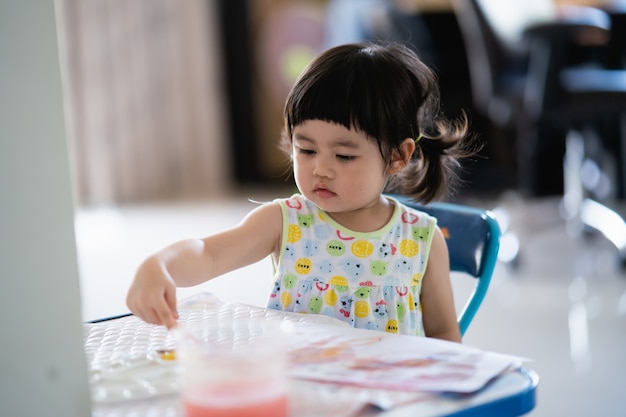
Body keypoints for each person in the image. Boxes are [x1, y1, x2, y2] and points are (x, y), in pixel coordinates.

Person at [126, 42, 480, 343]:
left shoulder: (422, 239)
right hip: (302, 394)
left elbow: (445, 339)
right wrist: (159, 265)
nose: (321, 169)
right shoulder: (285, 222)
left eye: (344, 155)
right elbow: (208, 254)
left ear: (398, 156)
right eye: (307, 150)